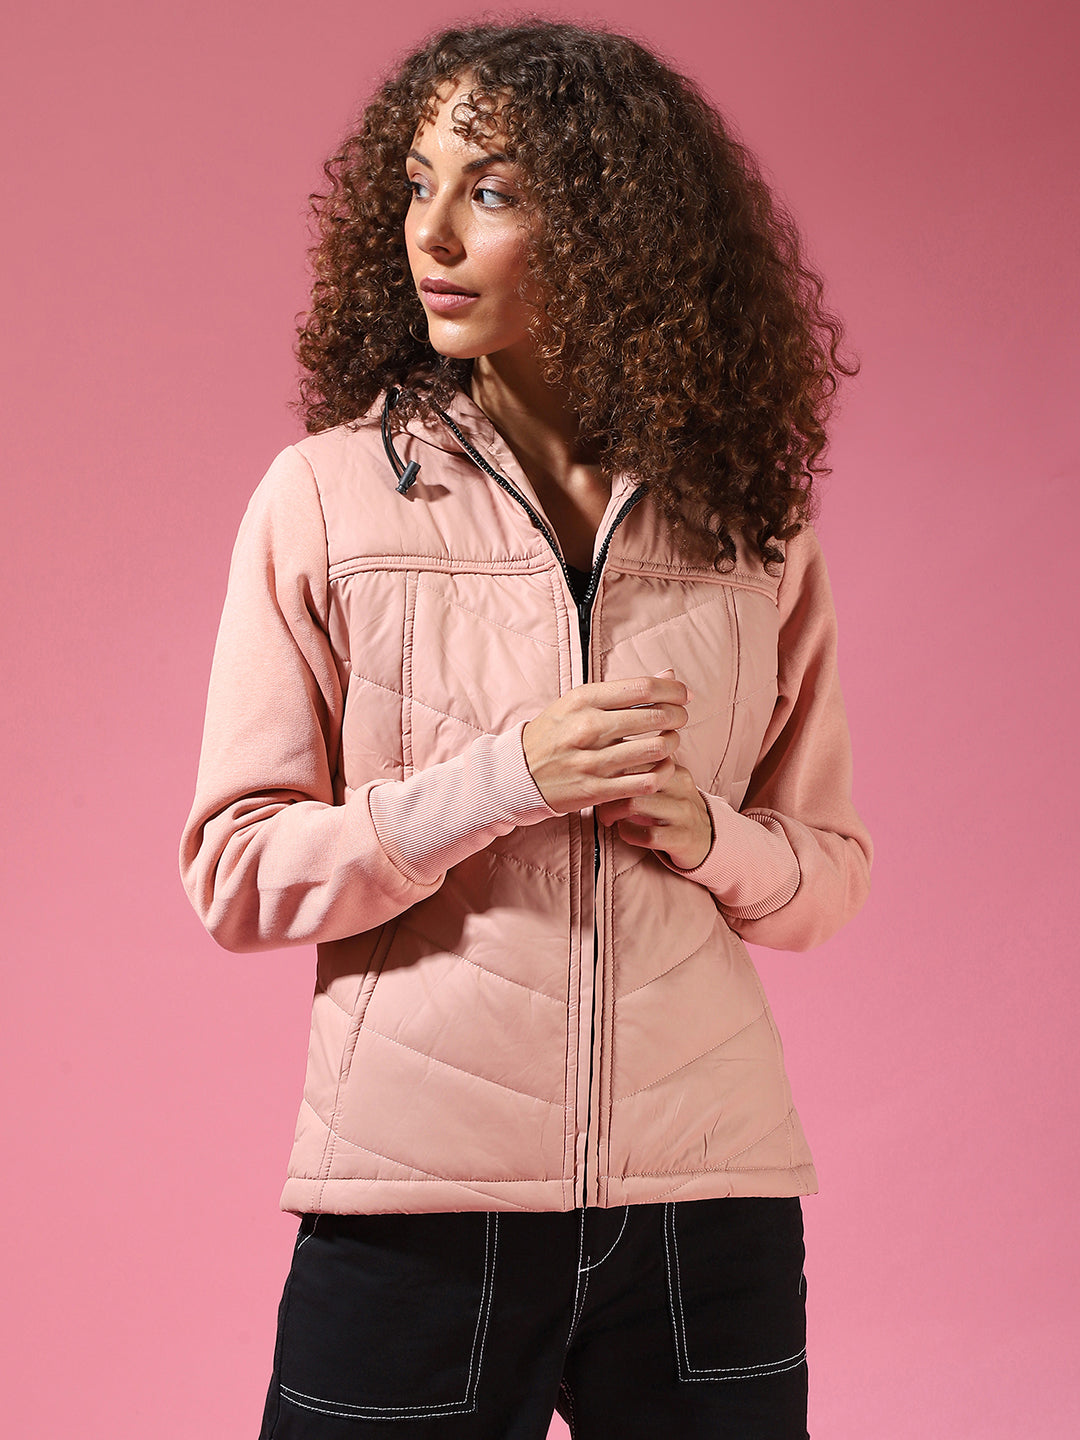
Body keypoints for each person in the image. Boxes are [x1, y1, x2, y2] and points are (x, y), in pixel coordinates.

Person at [179, 18, 872, 1439]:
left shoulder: (751, 529)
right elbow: (237, 873)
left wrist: (707, 833)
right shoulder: (326, 499)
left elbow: (828, 879)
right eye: (416, 185)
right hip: (418, 1209)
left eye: (490, 191)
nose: (431, 233)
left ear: (617, 230)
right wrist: (502, 780)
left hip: (708, 1209)